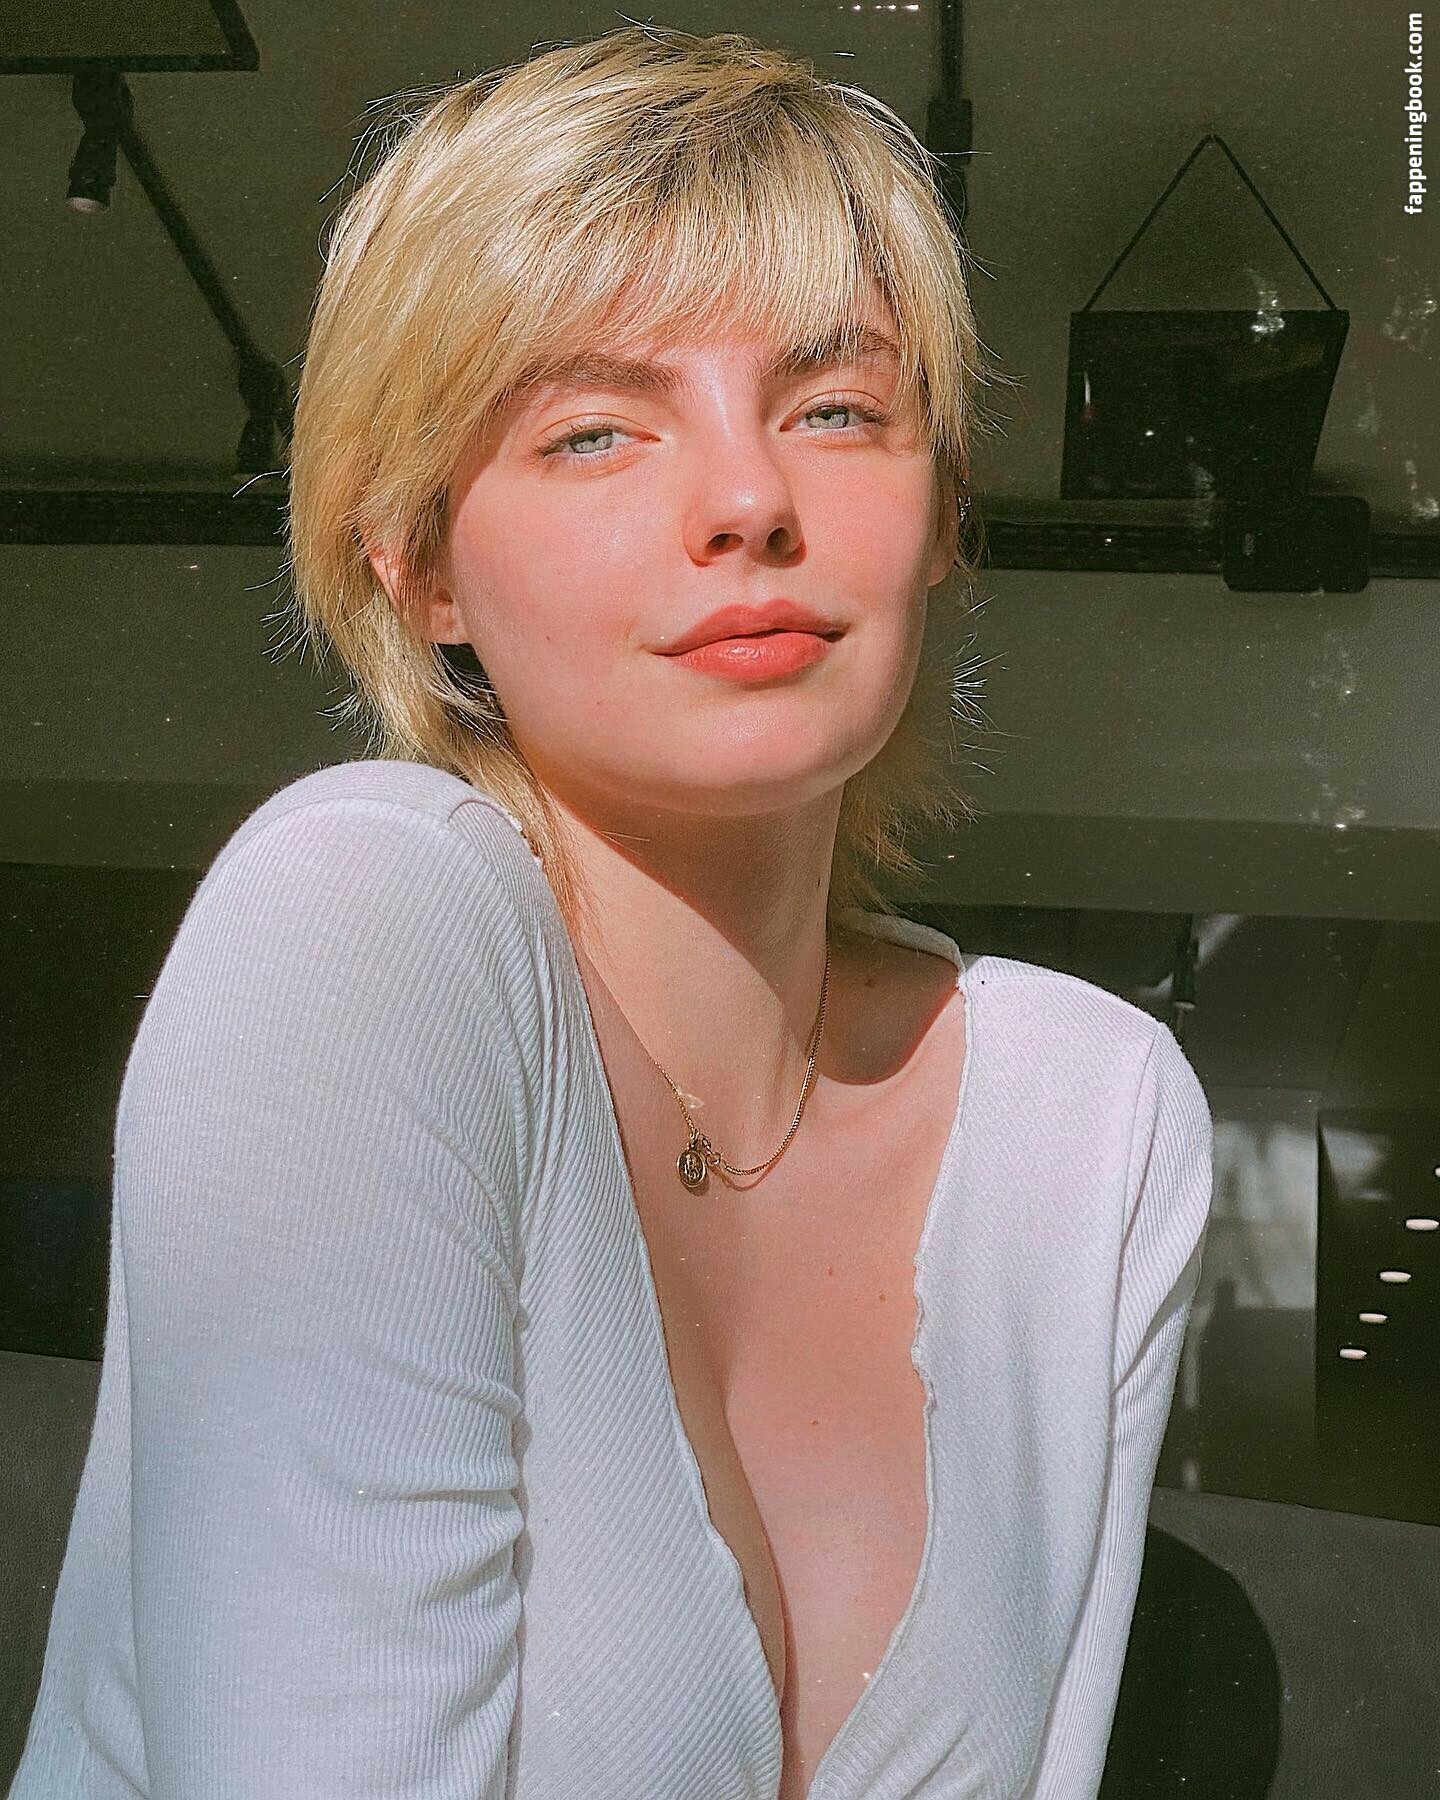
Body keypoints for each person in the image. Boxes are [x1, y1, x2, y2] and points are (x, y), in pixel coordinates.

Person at [8, 25, 1213, 1800]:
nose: (749, 501)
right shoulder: (362, 930)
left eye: (835, 409)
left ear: (944, 506)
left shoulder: (1094, 1122)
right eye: (593, 432)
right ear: (416, 565)